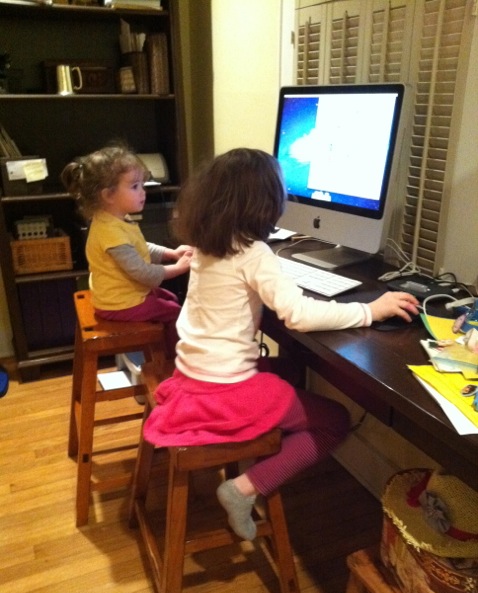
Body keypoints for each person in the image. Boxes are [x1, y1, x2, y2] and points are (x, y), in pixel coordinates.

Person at [143, 148, 420, 541]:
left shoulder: (209, 245)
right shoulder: (253, 253)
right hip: (225, 391)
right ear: (267, 203)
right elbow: (299, 315)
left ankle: (268, 441)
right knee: (335, 420)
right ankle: (244, 488)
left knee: (291, 370)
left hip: (193, 376)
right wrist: (370, 310)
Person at [61, 144, 193, 357]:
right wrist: (178, 268)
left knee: (170, 298)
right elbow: (143, 273)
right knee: (174, 311)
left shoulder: (116, 218)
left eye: (142, 185)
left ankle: (160, 351)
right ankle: (171, 360)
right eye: (134, 187)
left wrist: (171, 253)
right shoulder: (110, 232)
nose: (143, 192)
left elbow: (140, 247)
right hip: (118, 303)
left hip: (122, 294)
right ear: (108, 195)